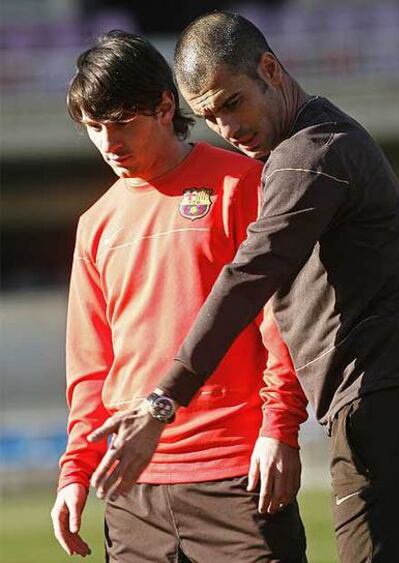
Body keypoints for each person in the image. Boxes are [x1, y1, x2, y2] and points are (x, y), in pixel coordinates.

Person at [89, 12, 399, 563]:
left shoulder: (309, 155)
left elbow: (246, 280)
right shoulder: (312, 147)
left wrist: (163, 400)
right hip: (373, 395)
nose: (227, 129)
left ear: (271, 69)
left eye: (233, 102)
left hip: (383, 399)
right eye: (209, 116)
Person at [50, 30, 309, 562]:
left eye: (122, 123)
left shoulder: (242, 184)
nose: (108, 143)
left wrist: (279, 428)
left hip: (237, 473)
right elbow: (90, 365)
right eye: (94, 128)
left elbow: (280, 323)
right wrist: (76, 470)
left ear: (166, 106)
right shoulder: (95, 224)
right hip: (130, 485)